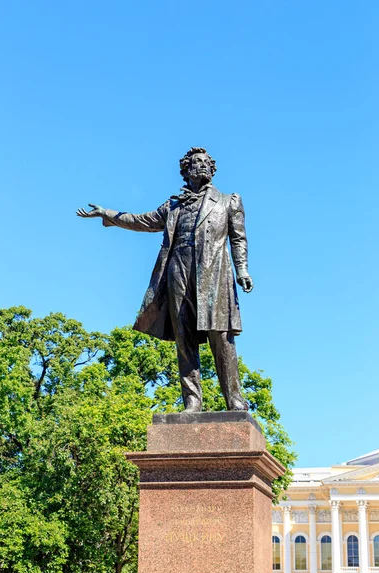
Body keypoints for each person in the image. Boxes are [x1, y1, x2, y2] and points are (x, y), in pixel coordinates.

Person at [77, 147, 253, 412]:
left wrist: (242, 270)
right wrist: (107, 214)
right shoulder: (173, 206)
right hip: (178, 271)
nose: (202, 166)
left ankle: (234, 400)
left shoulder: (229, 201)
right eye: (196, 163)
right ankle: (192, 401)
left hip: (214, 275)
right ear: (185, 170)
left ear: (212, 169)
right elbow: (142, 220)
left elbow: (238, 238)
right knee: (184, 338)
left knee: (221, 336)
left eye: (206, 163)